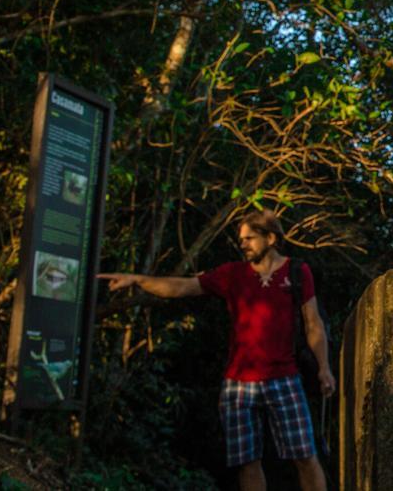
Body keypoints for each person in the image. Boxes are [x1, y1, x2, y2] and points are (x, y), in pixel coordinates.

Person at [100, 210, 336, 491]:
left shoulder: (297, 272)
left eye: (250, 238)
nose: (244, 244)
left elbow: (313, 324)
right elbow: (183, 287)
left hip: (284, 378)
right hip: (238, 384)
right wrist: (137, 279)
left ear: (270, 238)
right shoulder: (232, 275)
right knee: (248, 462)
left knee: (305, 456)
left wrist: (324, 368)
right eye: (241, 239)